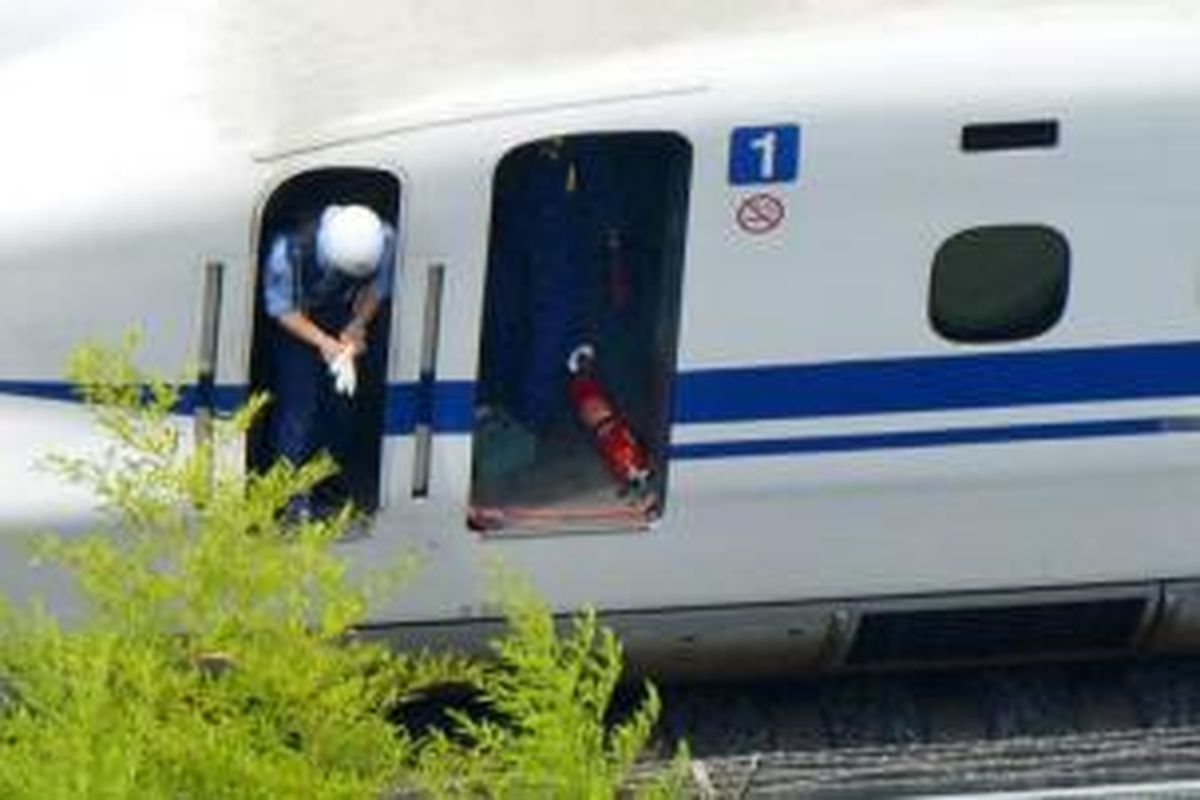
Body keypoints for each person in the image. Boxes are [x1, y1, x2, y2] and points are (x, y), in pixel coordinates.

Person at [262, 203, 395, 520]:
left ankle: (326, 479)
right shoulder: (288, 250)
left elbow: (376, 288)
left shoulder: (383, 239)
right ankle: (288, 493)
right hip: (298, 319)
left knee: (341, 404)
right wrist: (324, 343)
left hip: (342, 313)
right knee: (299, 407)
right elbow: (283, 310)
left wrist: (358, 325)